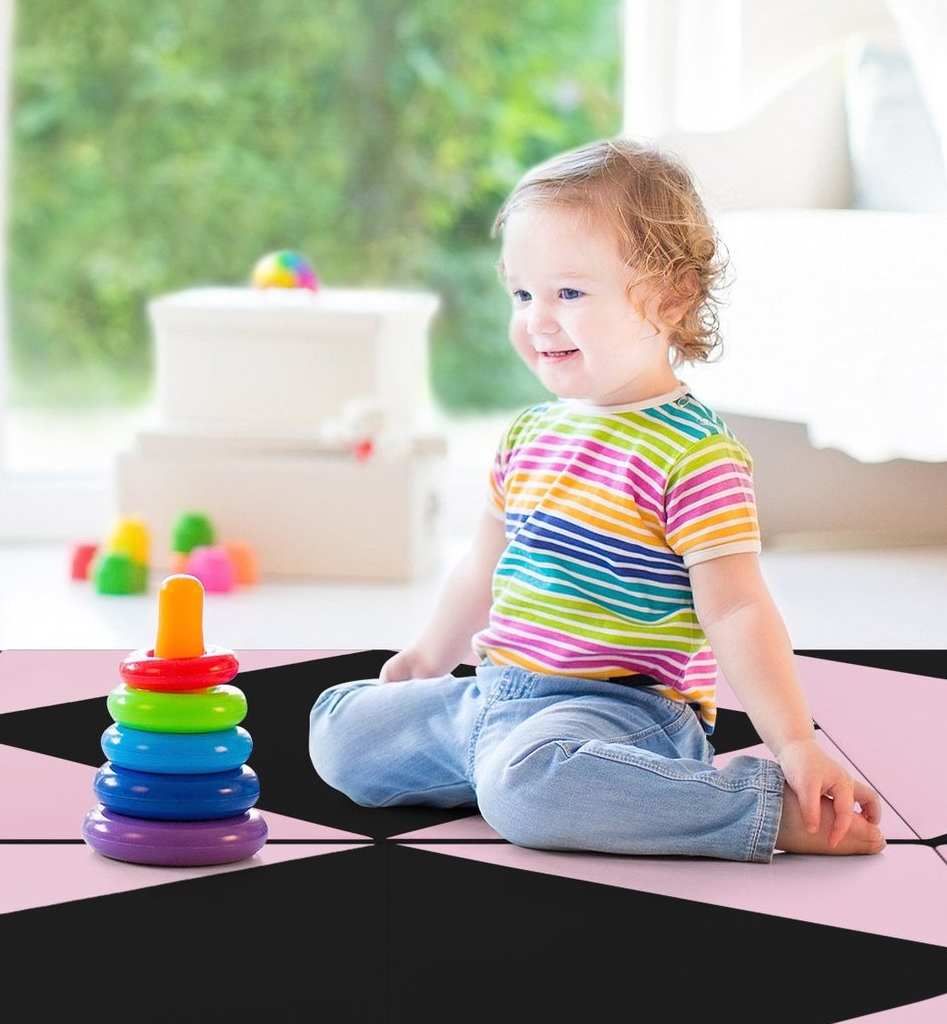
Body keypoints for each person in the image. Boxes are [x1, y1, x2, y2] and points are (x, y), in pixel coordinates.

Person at [308, 138, 884, 862]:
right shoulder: (527, 433)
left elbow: (736, 608)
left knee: (528, 789)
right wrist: (427, 656)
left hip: (621, 708)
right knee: (339, 728)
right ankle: (542, 781)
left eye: (568, 293)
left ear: (669, 298)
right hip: (495, 694)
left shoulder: (694, 453)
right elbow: (481, 566)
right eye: (522, 293)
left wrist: (793, 742)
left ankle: (750, 806)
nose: (536, 319)